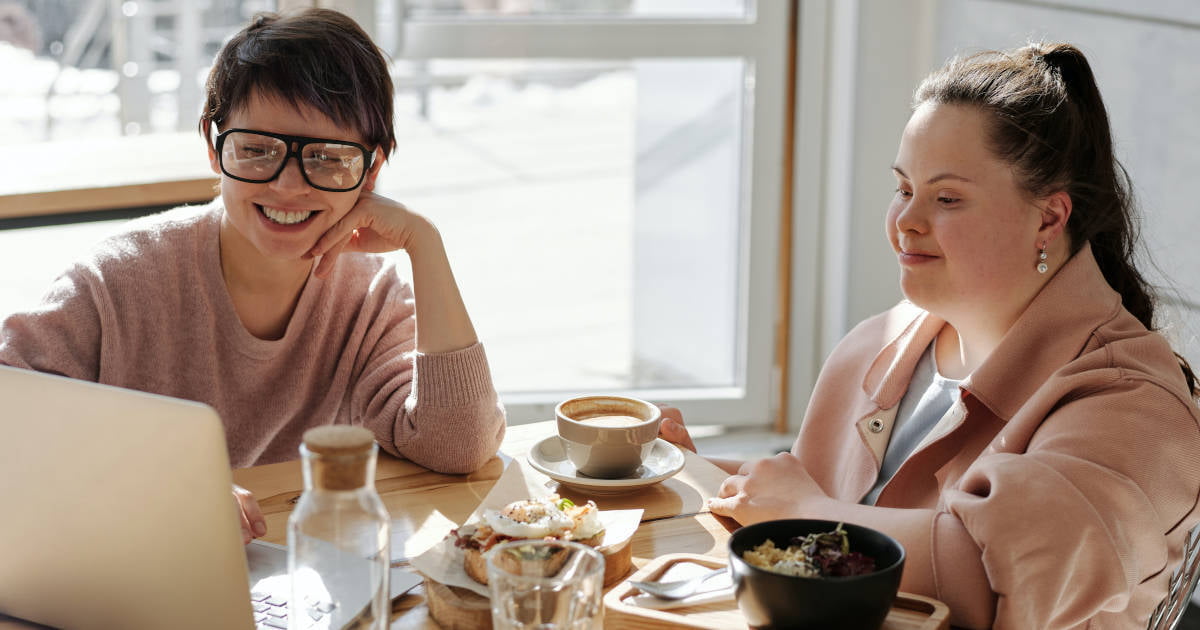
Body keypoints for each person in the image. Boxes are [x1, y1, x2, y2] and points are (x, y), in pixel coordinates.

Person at [660, 43, 1200, 629]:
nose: (906, 222)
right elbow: (820, 501)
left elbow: (996, 580)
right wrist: (686, 471)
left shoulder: (1130, 406)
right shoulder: (879, 344)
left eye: (946, 198)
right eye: (902, 189)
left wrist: (807, 513)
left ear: (1048, 218)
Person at [0, 9, 506, 544]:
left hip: (289, 576)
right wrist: (159, 480)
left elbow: (459, 445)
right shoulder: (117, 278)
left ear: (371, 171)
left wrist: (424, 245)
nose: (288, 186)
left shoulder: (371, 295)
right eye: (258, 150)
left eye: (328, 158)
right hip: (127, 563)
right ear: (214, 146)